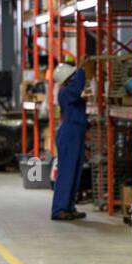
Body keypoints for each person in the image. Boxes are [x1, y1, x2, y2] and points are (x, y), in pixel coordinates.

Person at [51, 57, 90, 222]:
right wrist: (81, 69)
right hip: (69, 134)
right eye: (72, 75)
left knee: (75, 173)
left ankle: (69, 207)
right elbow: (78, 85)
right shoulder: (66, 91)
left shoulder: (70, 92)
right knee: (66, 172)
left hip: (76, 133)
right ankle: (59, 209)